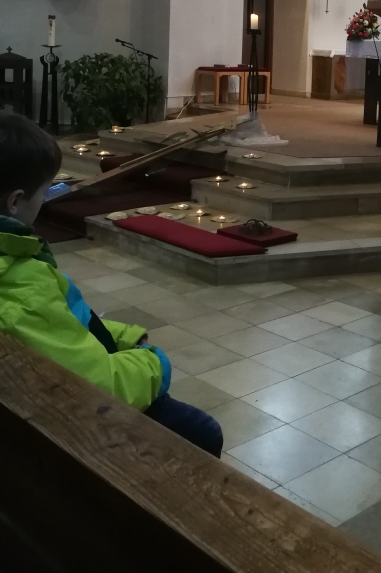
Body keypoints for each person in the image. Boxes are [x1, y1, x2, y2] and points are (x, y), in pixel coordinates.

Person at [0, 114, 222, 457]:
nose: (45, 201)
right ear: (15, 202)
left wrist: (123, 337)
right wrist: (154, 362)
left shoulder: (18, 267)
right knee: (202, 431)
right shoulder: (22, 287)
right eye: (44, 192)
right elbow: (99, 387)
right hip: (71, 429)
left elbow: (63, 323)